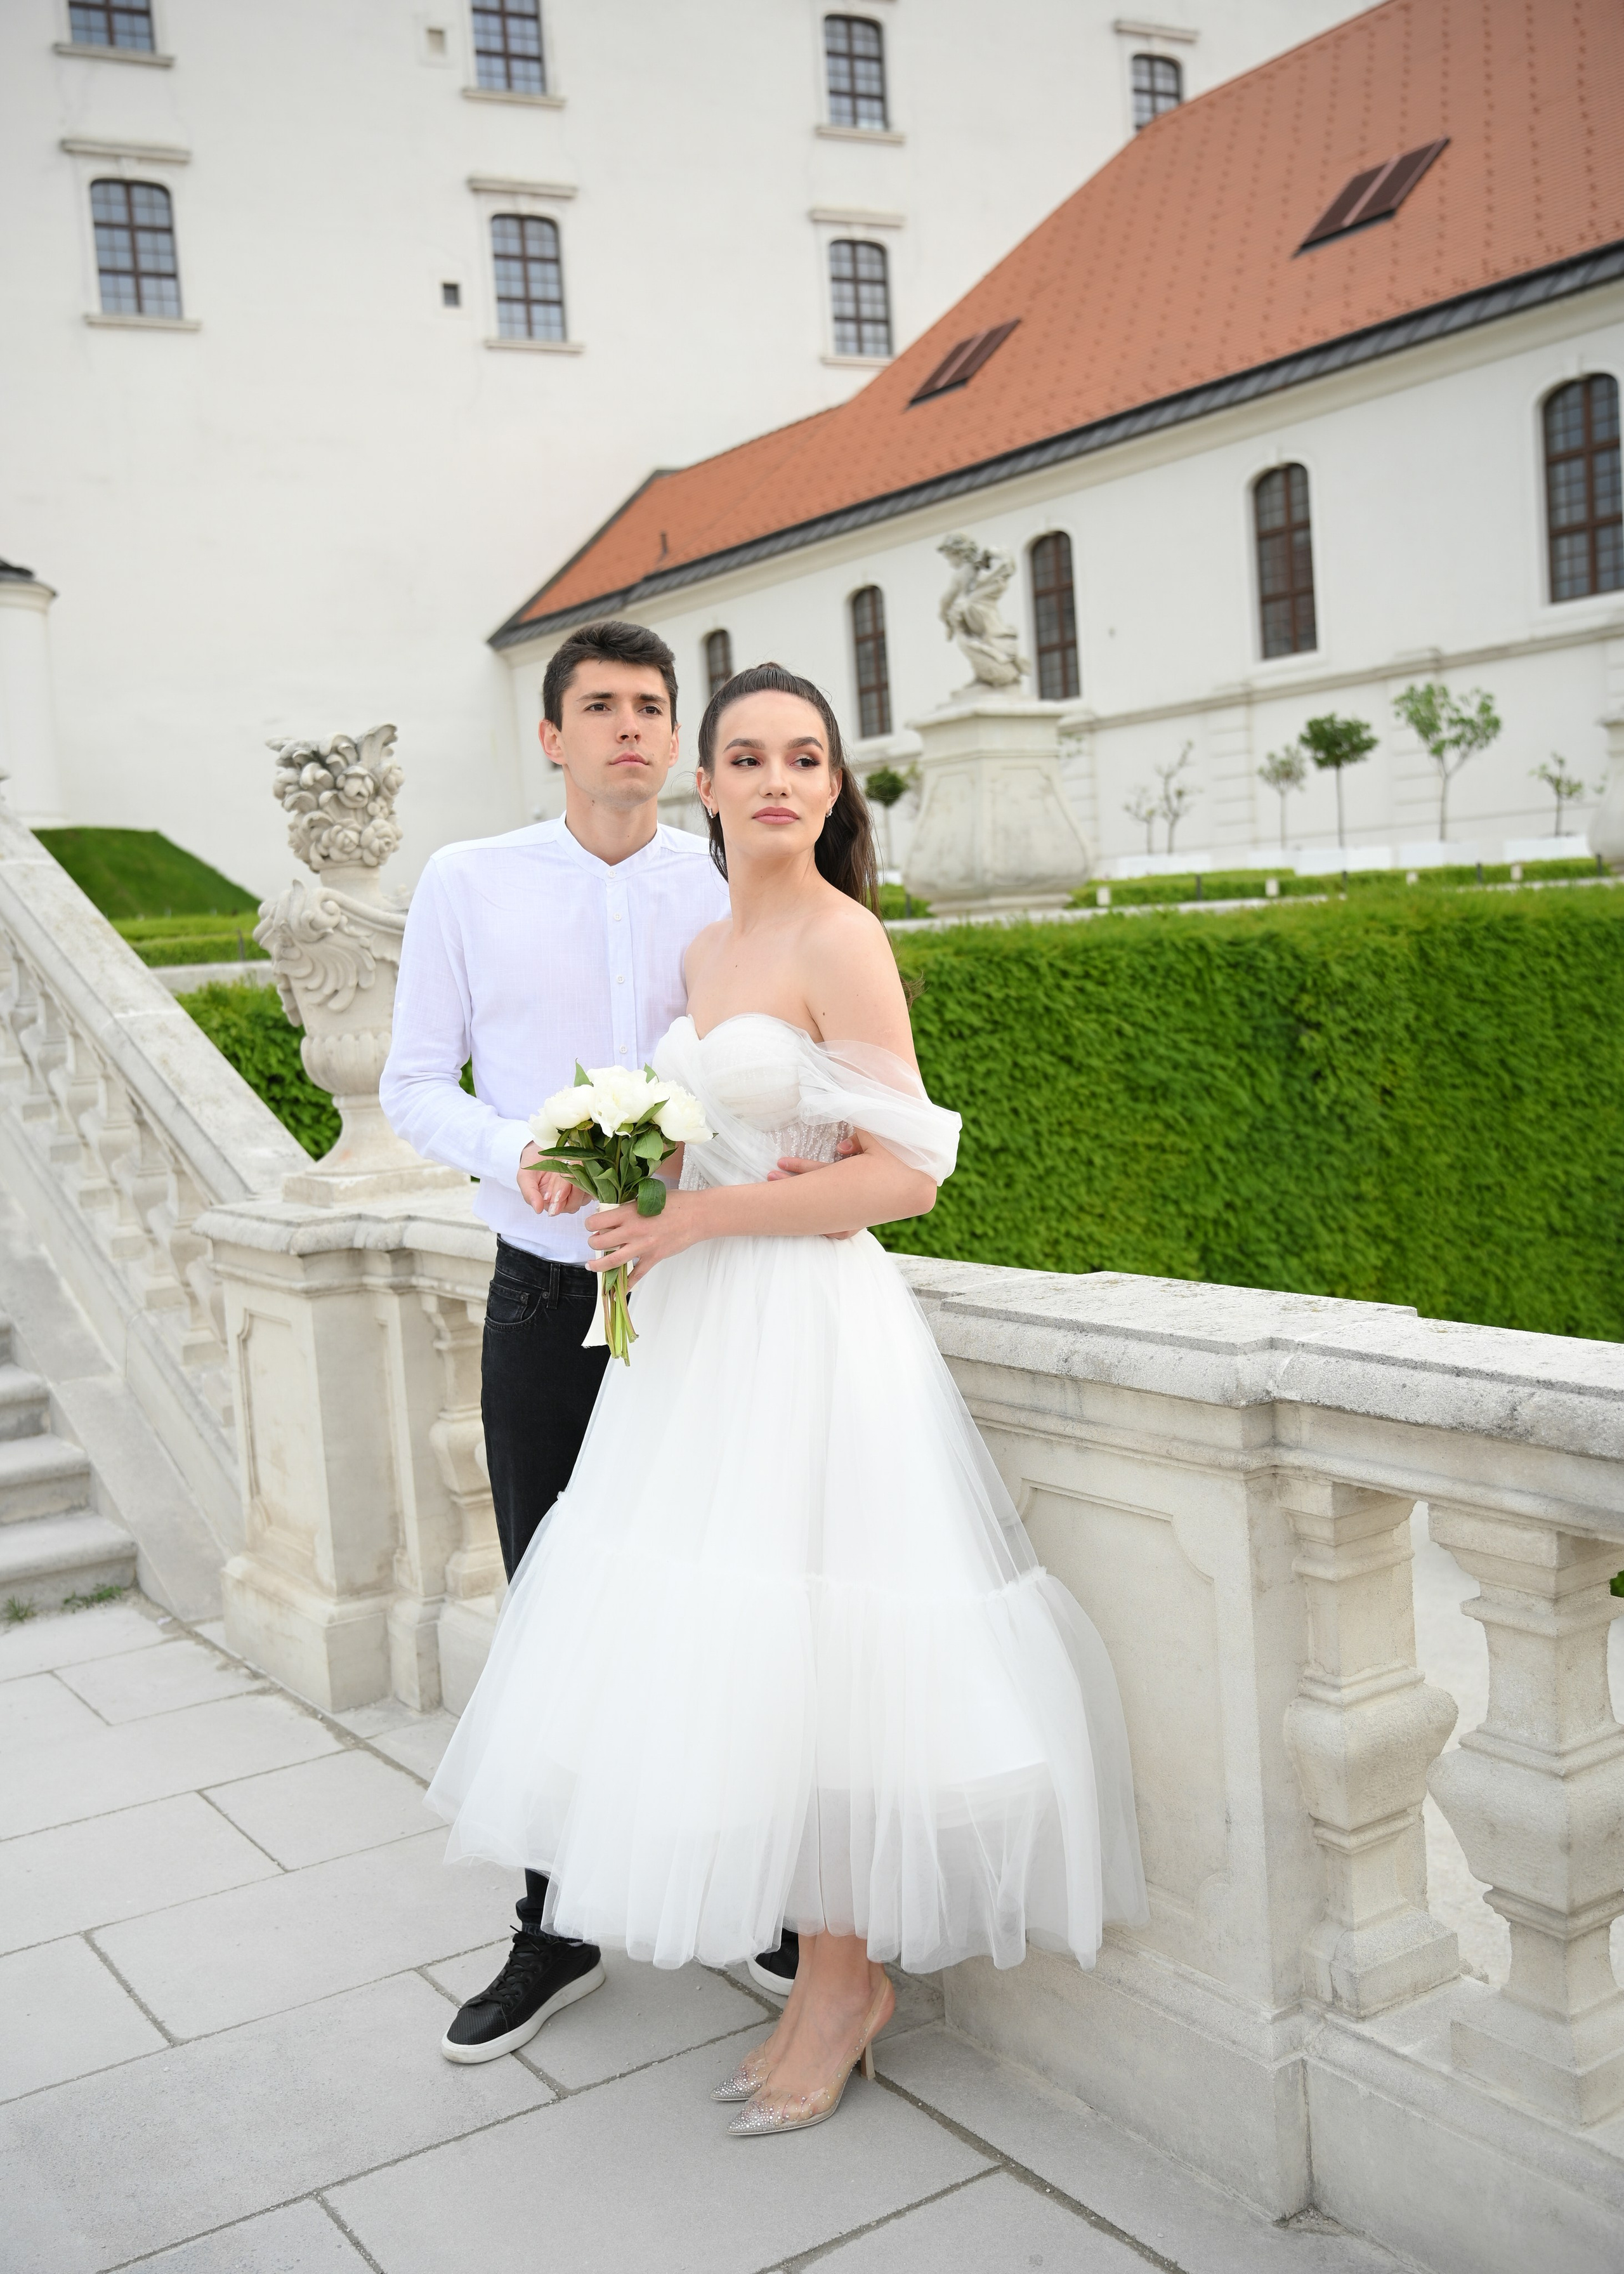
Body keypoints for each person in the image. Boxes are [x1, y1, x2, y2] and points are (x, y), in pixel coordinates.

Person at [426, 661, 1147, 2135]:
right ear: (705, 784)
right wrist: (642, 1192)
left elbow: (905, 1174)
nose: (773, 778)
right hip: (695, 1346)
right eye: (744, 754)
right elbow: (717, 1144)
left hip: (808, 1335)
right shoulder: (704, 953)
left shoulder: (840, 934)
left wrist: (693, 1221)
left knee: (831, 1643)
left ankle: (841, 1981)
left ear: (832, 788)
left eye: (802, 756)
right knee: (734, 1645)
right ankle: (809, 1965)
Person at [381, 618, 746, 2061]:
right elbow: (413, 1081)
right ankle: (557, 1920)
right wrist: (515, 1145)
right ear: (551, 735)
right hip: (542, 1294)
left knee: (723, 1588)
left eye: (652, 707)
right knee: (548, 1604)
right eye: (598, 706)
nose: (628, 729)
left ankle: (757, 1899)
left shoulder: (721, 882)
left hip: (702, 1297)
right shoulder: (471, 881)